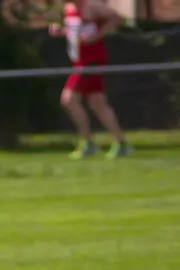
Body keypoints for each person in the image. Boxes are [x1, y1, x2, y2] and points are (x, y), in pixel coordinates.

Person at [51, 0, 133, 159]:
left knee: (69, 100)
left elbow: (116, 18)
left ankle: (87, 143)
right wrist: (61, 32)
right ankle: (121, 143)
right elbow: (77, 32)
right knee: (98, 103)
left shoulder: (91, 5)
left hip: (92, 61)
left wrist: (98, 34)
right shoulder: (69, 8)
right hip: (80, 60)